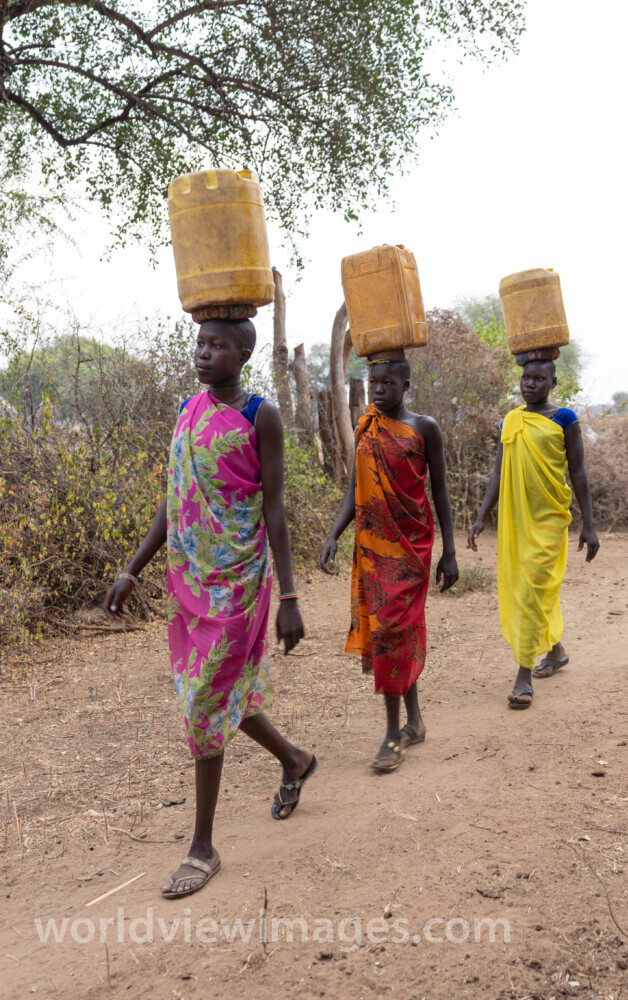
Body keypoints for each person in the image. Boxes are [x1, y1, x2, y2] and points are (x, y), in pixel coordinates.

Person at [105, 318, 315, 900]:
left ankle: (202, 847)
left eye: (217, 345)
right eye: (199, 343)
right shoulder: (188, 410)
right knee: (226, 696)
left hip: (240, 583)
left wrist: (291, 597)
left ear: (244, 353)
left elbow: (274, 507)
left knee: (204, 701)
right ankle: (295, 760)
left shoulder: (258, 416)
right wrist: (131, 569)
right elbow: (173, 501)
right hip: (190, 581)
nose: (203, 353)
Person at [319, 350, 458, 772]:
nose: (378, 390)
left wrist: (450, 552)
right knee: (391, 634)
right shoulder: (367, 428)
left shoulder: (424, 429)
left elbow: (441, 493)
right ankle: (412, 722)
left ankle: (392, 736)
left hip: (410, 547)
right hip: (371, 548)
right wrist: (333, 533)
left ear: (406, 385)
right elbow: (354, 489)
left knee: (394, 630)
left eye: (388, 384)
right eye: (373, 382)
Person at [468, 357, 599, 709]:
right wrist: (482, 517)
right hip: (517, 520)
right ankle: (555, 651)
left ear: (553, 383)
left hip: (551, 518)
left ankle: (523, 674)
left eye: (539, 379)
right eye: (526, 377)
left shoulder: (564, 419)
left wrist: (589, 522)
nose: (530, 384)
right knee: (534, 587)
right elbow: (497, 473)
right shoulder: (510, 421)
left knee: (532, 588)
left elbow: (579, 473)